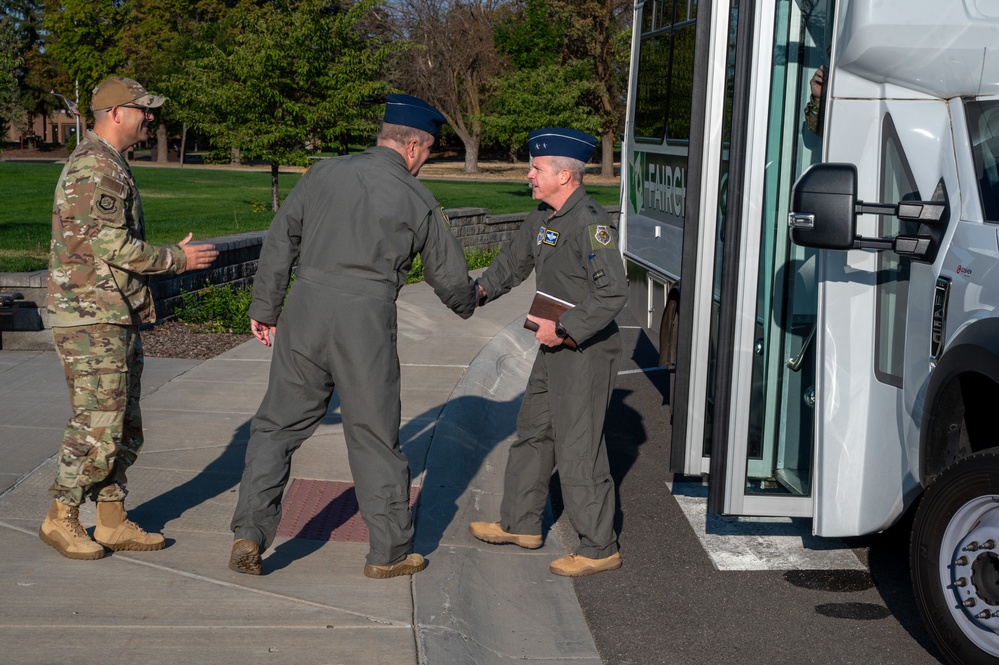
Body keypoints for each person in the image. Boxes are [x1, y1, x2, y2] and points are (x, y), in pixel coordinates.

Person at [228, 94, 477, 579]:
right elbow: (451, 281)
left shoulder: (322, 173)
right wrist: (472, 299)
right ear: (412, 147)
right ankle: (388, 551)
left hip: (305, 309)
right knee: (374, 436)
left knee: (276, 427)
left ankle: (250, 533)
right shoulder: (418, 198)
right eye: (427, 153)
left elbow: (281, 239)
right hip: (365, 321)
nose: (424, 163)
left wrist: (265, 307)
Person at [42, 76, 219, 560]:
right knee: (97, 422)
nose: (151, 118)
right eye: (144, 110)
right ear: (117, 113)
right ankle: (61, 516)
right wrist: (177, 259)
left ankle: (112, 520)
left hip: (110, 313)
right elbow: (110, 245)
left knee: (123, 423)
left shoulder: (111, 163)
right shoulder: (95, 167)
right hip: (91, 316)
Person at [468, 128, 627, 577]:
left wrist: (565, 329)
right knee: (534, 429)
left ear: (564, 174)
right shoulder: (543, 217)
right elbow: (512, 263)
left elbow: (613, 294)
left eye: (536, 169)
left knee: (579, 448)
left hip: (585, 350)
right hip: (552, 344)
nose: (529, 175)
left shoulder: (589, 223)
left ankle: (599, 547)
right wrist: (478, 291)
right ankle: (521, 524)